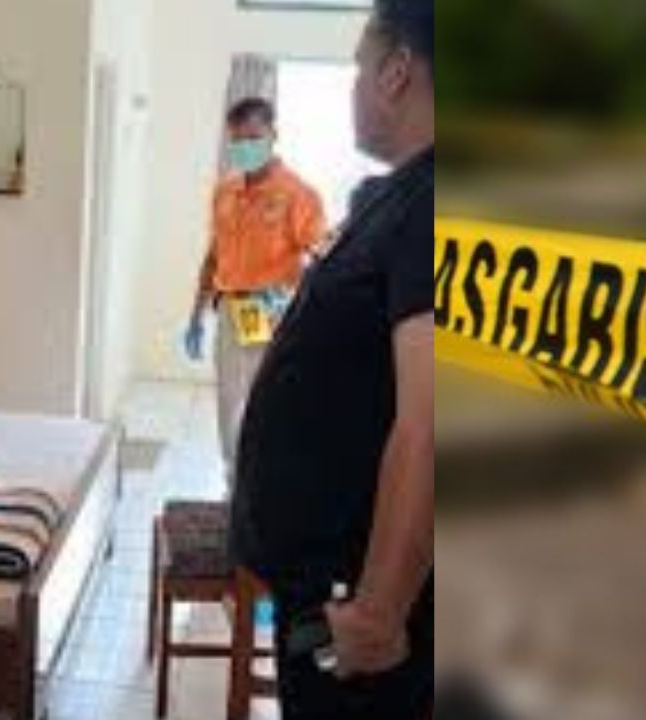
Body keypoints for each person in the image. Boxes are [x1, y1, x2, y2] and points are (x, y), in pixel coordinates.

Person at [229, 0, 434, 717]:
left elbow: (433, 419)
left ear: (395, 73)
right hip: (318, 588)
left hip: (352, 606)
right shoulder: (395, 196)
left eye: (357, 67)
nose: (353, 86)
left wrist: (377, 612)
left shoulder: (434, 205)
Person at [184, 97, 325, 481]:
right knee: (229, 406)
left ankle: (265, 482)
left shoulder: (298, 195)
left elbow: (321, 257)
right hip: (232, 311)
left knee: (269, 405)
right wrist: (196, 316)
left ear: (273, 135)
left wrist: (296, 307)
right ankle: (235, 482)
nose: (245, 147)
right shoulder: (225, 191)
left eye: (253, 137)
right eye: (237, 140)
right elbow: (214, 256)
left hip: (274, 312)